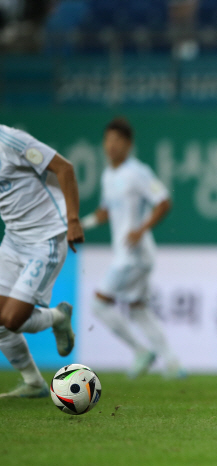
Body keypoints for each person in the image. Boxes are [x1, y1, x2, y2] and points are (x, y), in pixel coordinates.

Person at [81, 117, 183, 379]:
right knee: (138, 308)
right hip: (126, 254)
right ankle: (173, 364)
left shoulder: (137, 171)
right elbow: (105, 212)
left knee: (98, 304)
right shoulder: (108, 175)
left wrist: (142, 228)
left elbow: (163, 201)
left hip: (134, 256)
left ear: (128, 144)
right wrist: (81, 224)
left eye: (118, 140)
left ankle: (140, 351)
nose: (112, 145)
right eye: (108, 140)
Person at [0, 124, 83, 398]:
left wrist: (73, 221)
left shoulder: (12, 141)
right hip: (13, 240)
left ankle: (59, 317)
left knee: (12, 319)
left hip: (45, 238)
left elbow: (65, 168)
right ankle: (34, 383)